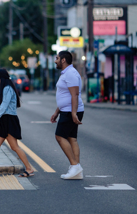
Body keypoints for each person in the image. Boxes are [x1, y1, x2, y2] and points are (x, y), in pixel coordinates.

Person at [50, 51, 85, 180]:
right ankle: (76, 170)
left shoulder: (70, 73)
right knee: (72, 138)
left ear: (63, 60)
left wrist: (74, 113)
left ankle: (74, 166)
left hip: (70, 111)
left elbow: (74, 95)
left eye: (57, 58)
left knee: (59, 136)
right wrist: (56, 112)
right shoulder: (67, 73)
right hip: (67, 110)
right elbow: (64, 95)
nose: (55, 61)